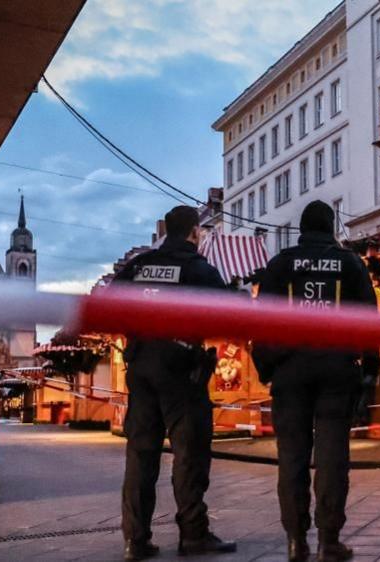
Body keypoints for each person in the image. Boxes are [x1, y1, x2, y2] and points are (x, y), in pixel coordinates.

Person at [252, 201, 380, 562]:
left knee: (291, 456)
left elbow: (260, 321)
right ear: (331, 225)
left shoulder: (281, 264)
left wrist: (267, 368)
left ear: (302, 227)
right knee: (332, 457)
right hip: (337, 368)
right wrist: (370, 369)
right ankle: (329, 538)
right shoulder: (350, 263)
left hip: (290, 369)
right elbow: (369, 318)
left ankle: (296, 539)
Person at [111, 205, 236, 561]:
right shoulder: (199, 269)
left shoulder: (138, 266)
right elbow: (228, 312)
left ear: (166, 230)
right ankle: (193, 534)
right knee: (190, 453)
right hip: (181, 369)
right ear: (195, 233)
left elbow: (110, 301)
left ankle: (136, 540)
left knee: (141, 453)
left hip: (141, 365)